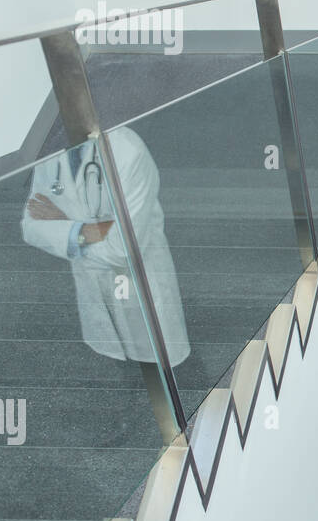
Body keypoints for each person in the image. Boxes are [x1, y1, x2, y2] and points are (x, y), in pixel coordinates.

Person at [20, 126, 190, 366]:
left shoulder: (127, 150)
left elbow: (122, 250)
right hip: (91, 288)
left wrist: (65, 228)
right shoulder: (49, 152)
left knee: (159, 366)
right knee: (113, 367)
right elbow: (31, 226)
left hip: (139, 282)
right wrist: (89, 230)